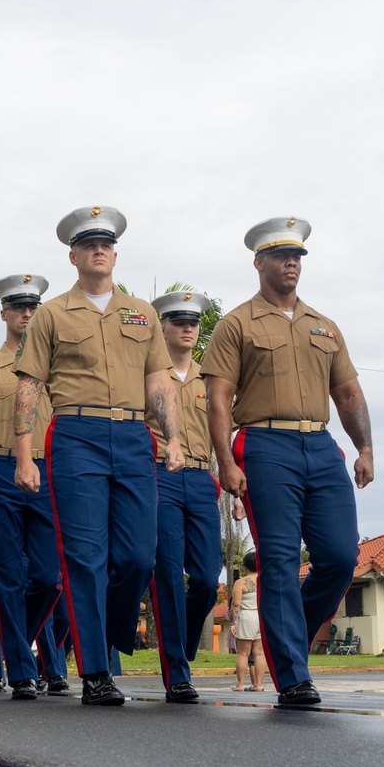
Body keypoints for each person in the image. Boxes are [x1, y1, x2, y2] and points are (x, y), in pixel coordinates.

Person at [13, 206, 185, 707]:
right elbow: (29, 386)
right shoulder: (52, 314)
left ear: (115, 252)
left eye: (106, 243)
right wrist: (24, 455)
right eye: (89, 244)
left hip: (134, 437)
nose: (99, 249)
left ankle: (105, 632)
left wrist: (172, 437)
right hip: (76, 435)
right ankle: (95, 672)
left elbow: (158, 380)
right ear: (74, 256)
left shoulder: (142, 312)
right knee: (84, 558)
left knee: (136, 557)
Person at [201, 216, 373, 709]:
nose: (291, 263)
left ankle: (287, 629)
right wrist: (225, 464)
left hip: (320, 447)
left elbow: (348, 393)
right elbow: (218, 399)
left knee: (341, 556)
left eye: (297, 256)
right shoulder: (237, 323)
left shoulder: (325, 325)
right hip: (263, 444)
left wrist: (364, 447)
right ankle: (293, 677)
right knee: (277, 561)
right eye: (281, 256)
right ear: (260, 263)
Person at [0, 274, 66, 700]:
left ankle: (14, 649)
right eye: (18, 308)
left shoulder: (57, 363)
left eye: (33, 308)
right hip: (0, 469)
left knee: (49, 578)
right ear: (4, 314)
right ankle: (21, 668)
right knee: (9, 576)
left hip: (50, 473)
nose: (26, 315)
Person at [146, 291, 222, 704]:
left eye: (193, 322)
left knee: (209, 581)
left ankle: (182, 647)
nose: (188, 328)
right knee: (169, 575)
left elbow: (220, 431)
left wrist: (231, 482)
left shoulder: (209, 379)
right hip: (160, 476)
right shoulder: (147, 375)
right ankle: (177, 672)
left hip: (201, 479)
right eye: (178, 321)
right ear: (162, 327)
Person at [229, 550, 266, 691]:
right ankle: (258, 685)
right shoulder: (264, 580)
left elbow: (236, 604)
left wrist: (233, 622)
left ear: (245, 567)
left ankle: (240, 684)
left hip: (246, 616)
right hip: (261, 616)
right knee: (259, 653)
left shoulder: (241, 583)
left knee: (243, 653)